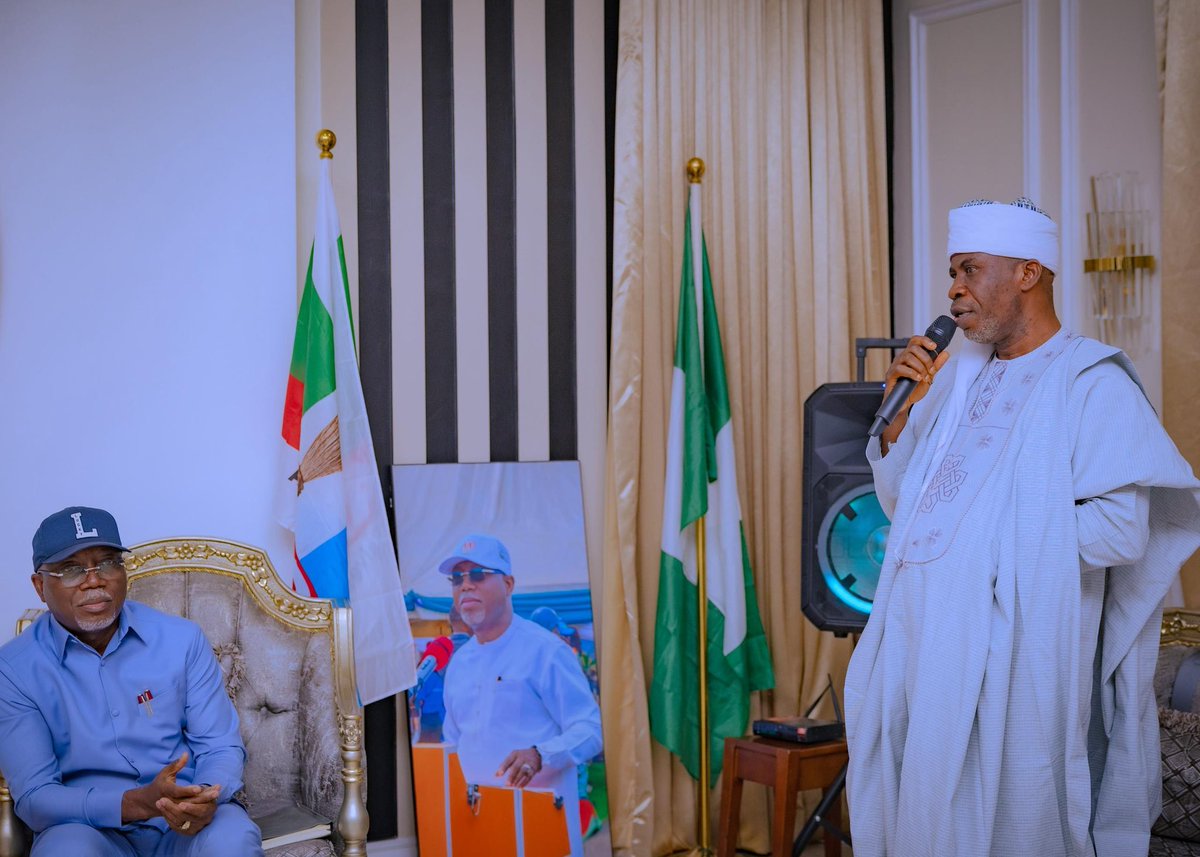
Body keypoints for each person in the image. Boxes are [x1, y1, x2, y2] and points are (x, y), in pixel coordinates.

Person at [844, 198, 1200, 857]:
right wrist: (897, 423)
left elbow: (1122, 532)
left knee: (1006, 821)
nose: (953, 289)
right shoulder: (953, 387)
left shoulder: (1091, 383)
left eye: (970, 270)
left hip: (1015, 657)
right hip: (924, 647)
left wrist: (990, 543)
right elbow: (911, 512)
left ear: (1029, 273)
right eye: (953, 272)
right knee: (922, 821)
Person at [0, 506, 263, 856]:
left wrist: (200, 796)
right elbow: (35, 796)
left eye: (107, 563)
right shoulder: (14, 669)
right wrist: (134, 804)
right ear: (39, 586)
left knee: (233, 837)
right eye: (71, 569)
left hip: (184, 823)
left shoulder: (181, 639)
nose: (94, 581)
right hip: (89, 829)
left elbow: (220, 746)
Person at [438, 534, 602, 857]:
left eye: (478, 575)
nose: (465, 585)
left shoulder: (545, 651)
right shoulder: (458, 664)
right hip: (476, 834)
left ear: (509, 584)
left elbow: (592, 729)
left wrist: (541, 754)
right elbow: (454, 744)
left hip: (540, 832)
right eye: (457, 578)